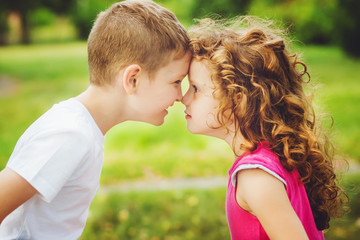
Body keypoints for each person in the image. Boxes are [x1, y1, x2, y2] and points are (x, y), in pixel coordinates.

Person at [0, 0, 191, 239]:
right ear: (133, 79)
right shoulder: (70, 134)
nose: (181, 96)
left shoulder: (82, 129)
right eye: (176, 82)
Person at [182, 17, 348, 240]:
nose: (184, 99)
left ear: (237, 100)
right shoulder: (272, 155)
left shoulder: (256, 177)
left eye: (195, 88)